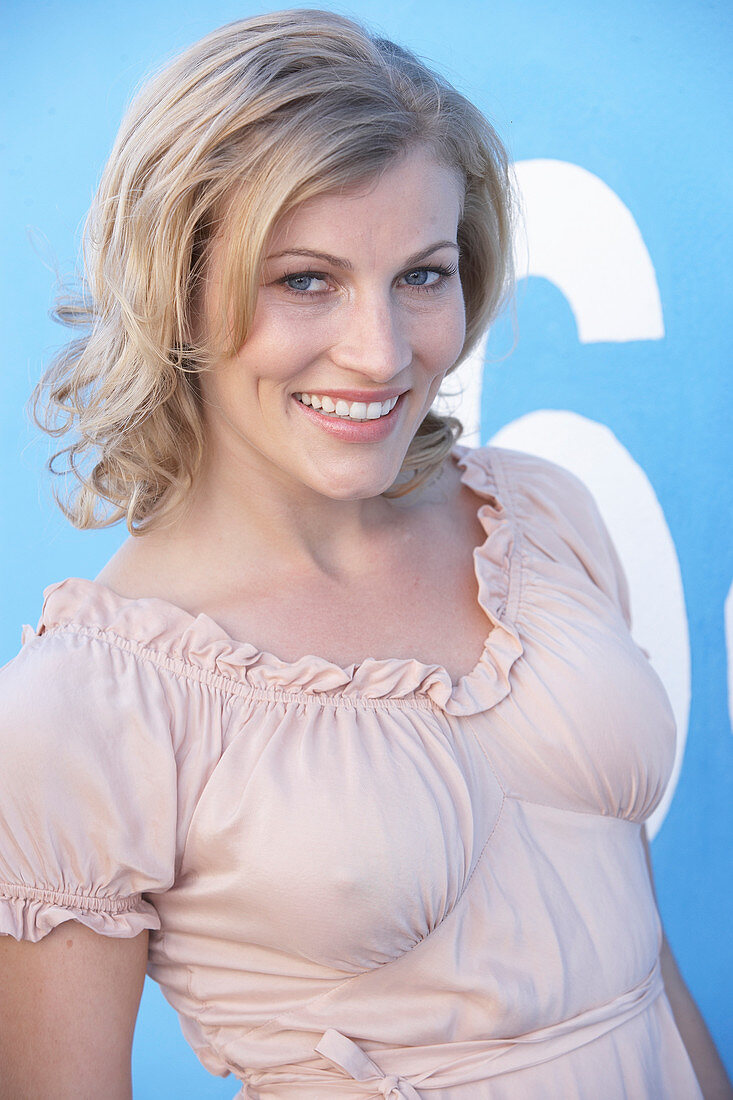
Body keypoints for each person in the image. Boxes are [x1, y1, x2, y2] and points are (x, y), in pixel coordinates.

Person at [0, 9, 730, 1099]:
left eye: (422, 275)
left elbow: (637, 961)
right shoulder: (85, 708)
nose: (382, 351)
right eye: (304, 279)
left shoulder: (539, 516)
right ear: (174, 286)